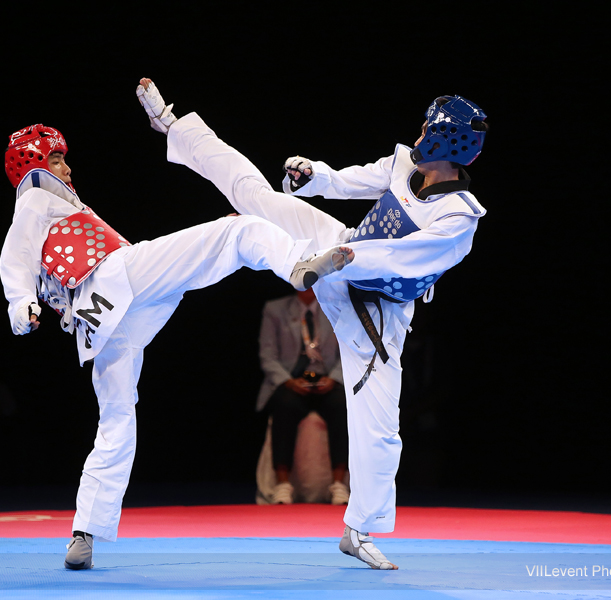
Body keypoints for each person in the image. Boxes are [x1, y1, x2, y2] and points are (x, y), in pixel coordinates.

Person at [136, 78, 488, 570]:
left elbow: (401, 258)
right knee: (256, 196)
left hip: (375, 314)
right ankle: (174, 127)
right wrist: (315, 176)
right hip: (335, 250)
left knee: (381, 430)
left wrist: (341, 258)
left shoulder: (459, 216)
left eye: (430, 126)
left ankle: (358, 529)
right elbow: (353, 180)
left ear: (447, 140)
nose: (421, 130)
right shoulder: (405, 164)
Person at [0, 124, 354, 570]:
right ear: (32, 165)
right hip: (119, 280)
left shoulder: (56, 202)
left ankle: (83, 532)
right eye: (55, 160)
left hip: (102, 325)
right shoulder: (35, 196)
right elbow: (14, 256)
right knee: (237, 233)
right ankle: (295, 264)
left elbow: (28, 259)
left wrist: (26, 305)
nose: (65, 167)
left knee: (116, 423)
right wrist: (20, 305)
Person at [257, 287, 349, 505]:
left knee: (342, 405)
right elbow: (267, 355)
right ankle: (282, 484)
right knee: (284, 405)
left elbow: (350, 350)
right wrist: (288, 381)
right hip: (291, 380)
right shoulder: (275, 309)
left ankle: (339, 484)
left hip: (327, 380)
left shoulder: (337, 306)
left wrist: (334, 378)